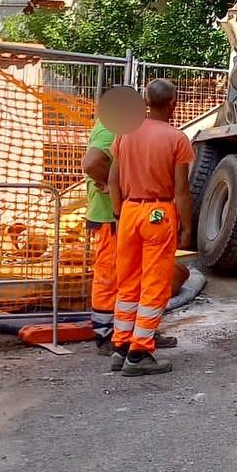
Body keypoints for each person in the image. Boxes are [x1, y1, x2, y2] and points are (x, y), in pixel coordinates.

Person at [108, 80, 194, 376]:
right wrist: (187, 226)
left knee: (128, 283)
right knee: (155, 285)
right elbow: (181, 190)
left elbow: (112, 181)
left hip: (129, 211)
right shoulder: (177, 139)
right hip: (159, 211)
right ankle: (140, 352)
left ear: (146, 102)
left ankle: (120, 346)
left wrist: (121, 214)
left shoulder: (125, 133)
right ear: (172, 104)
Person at [82, 117, 118, 353]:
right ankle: (105, 335)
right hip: (109, 217)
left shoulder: (106, 123)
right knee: (109, 275)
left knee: (117, 275)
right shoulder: (112, 126)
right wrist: (114, 184)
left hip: (109, 215)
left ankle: (119, 332)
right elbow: (92, 162)